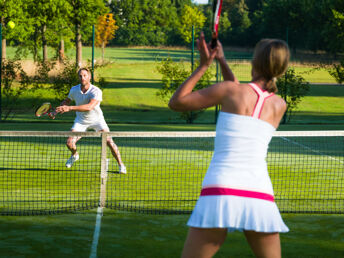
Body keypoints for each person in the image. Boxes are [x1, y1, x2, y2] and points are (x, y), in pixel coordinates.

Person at [169, 32, 290, 258]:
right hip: (260, 193)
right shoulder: (279, 105)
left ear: (255, 62)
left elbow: (177, 102)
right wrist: (221, 59)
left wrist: (205, 65)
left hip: (220, 189)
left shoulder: (229, 91)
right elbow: (242, 92)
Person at [55, 68, 126, 174]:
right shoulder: (74, 89)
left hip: (97, 120)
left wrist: (69, 108)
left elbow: (89, 107)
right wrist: (57, 110)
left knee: (109, 142)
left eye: (84, 75)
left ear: (89, 77)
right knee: (69, 143)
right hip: (81, 121)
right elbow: (67, 100)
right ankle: (74, 155)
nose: (82, 78)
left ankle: (121, 165)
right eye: (80, 76)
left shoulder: (96, 91)